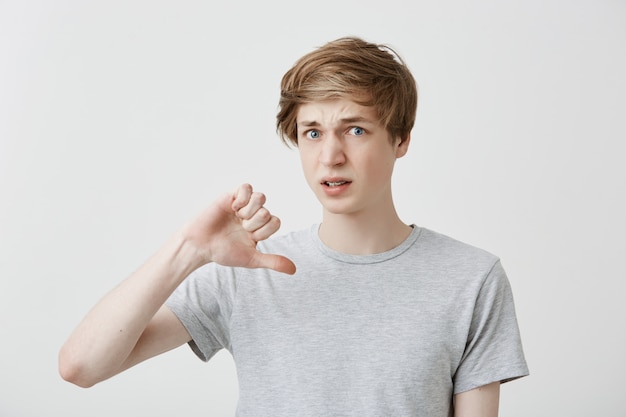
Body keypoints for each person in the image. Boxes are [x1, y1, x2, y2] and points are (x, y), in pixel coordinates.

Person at [59, 36, 528, 417]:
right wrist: (189, 250)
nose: (330, 155)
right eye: (313, 132)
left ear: (401, 139)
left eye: (356, 129)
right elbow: (81, 366)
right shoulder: (250, 272)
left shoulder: (472, 279)